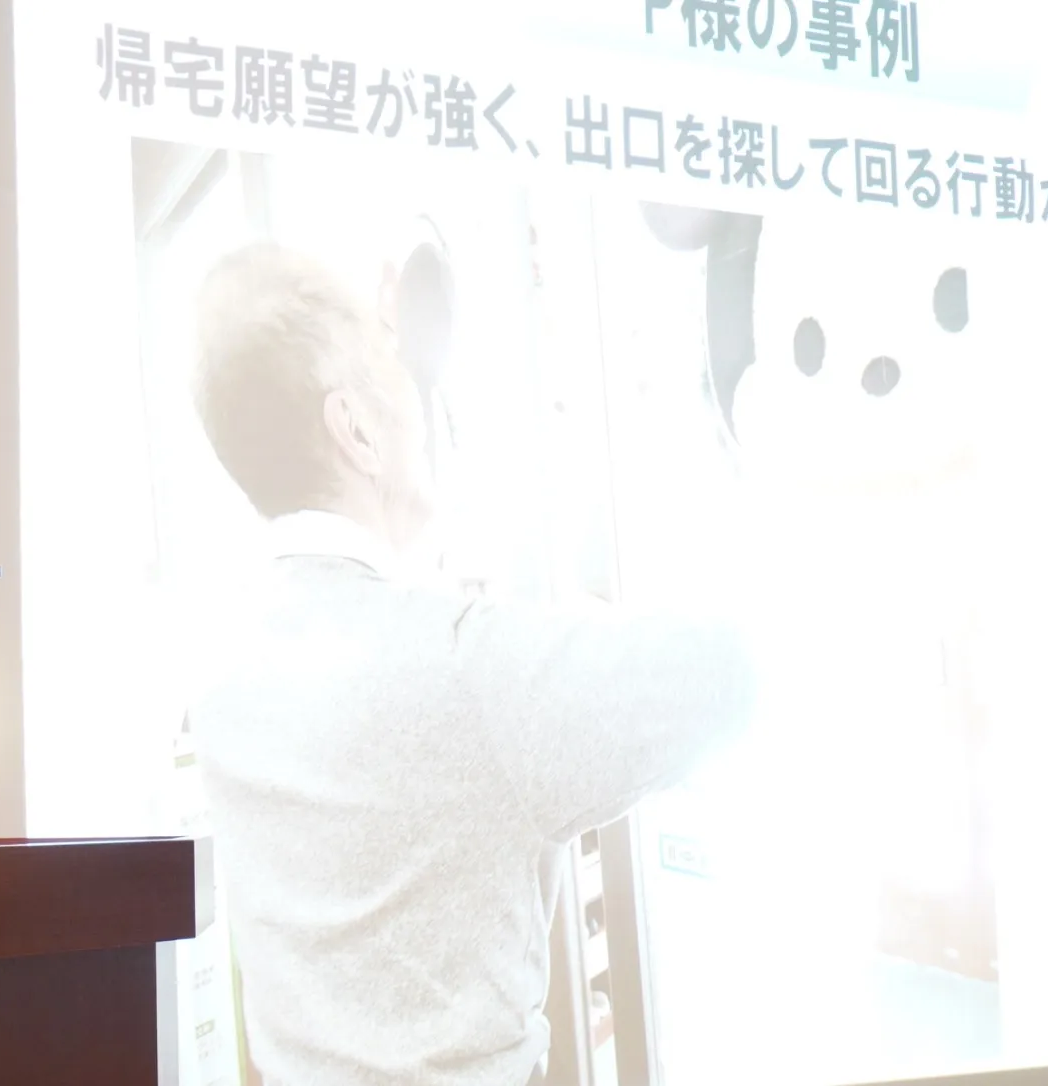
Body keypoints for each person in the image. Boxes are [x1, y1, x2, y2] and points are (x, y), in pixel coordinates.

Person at [183, 243, 758, 1086]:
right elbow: (731, 672)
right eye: (394, 367)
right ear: (354, 430)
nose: (423, 406)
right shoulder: (463, 670)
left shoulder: (221, 674)